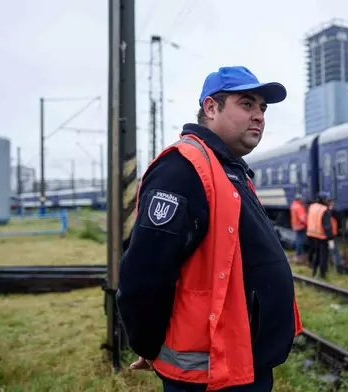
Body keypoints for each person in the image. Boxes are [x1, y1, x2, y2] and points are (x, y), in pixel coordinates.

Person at [116, 65, 303, 392]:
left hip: (240, 362)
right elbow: (144, 275)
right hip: (210, 374)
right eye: (247, 104)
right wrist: (147, 344)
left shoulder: (227, 168)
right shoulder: (182, 169)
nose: (259, 115)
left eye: (262, 107)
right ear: (211, 107)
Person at [305, 192, 334, 279]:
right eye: (327, 200)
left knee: (316, 255)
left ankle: (314, 272)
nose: (328, 201)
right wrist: (330, 239)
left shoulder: (312, 207)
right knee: (323, 256)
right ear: (323, 200)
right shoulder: (324, 210)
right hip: (322, 237)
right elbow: (327, 226)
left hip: (312, 235)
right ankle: (322, 275)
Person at [289, 194, 307, 263]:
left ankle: (300, 252)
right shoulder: (299, 207)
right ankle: (299, 253)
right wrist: (307, 224)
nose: (303, 200)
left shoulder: (293, 206)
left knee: (298, 239)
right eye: (301, 199)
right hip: (300, 226)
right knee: (300, 240)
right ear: (299, 200)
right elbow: (302, 218)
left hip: (295, 225)